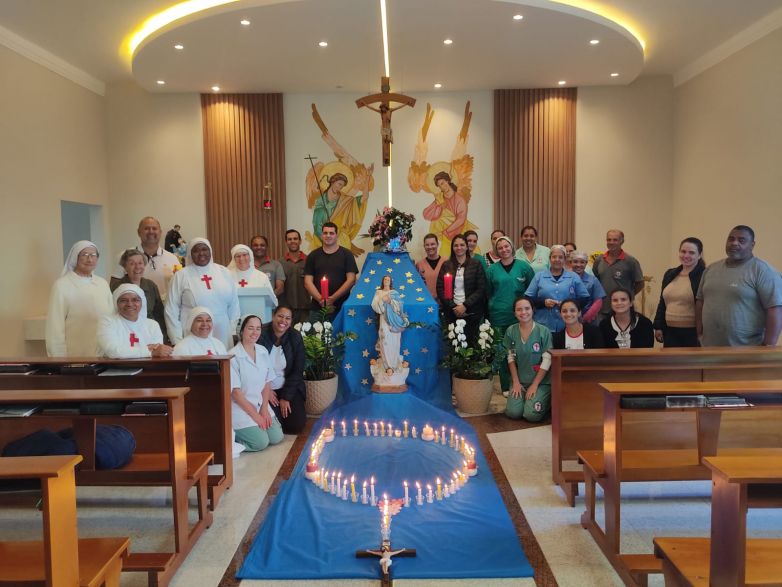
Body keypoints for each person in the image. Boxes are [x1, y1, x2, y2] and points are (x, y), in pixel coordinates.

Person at [696, 225, 782, 347]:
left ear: (752, 245)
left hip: (746, 352)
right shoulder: (711, 269)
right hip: (708, 349)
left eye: (741, 240)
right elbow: (700, 301)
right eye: (731, 239)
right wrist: (699, 334)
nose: (734, 243)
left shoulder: (763, 271)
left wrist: (768, 346)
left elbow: (776, 309)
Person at [165, 237, 240, 349]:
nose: (201, 253)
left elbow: (234, 304)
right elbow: (171, 309)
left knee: (222, 361)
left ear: (210, 251)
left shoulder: (224, 272)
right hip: (193, 332)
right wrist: (176, 339)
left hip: (223, 331)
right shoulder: (181, 275)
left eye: (205, 249)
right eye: (196, 250)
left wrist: (233, 331)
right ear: (190, 253)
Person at [486, 236, 535, 396]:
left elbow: (531, 291)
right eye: (500, 248)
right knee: (502, 352)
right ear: (496, 251)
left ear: (512, 247)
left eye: (506, 246)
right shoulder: (492, 270)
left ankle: (522, 382)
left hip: (520, 317)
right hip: (498, 316)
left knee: (520, 350)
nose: (504, 250)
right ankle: (506, 386)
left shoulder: (524, 267)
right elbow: (487, 293)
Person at [46, 240, 114, 357]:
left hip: (104, 354)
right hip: (75, 357)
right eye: (84, 255)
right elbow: (55, 327)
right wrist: (58, 358)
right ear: (75, 258)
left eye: (93, 255)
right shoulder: (62, 285)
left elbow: (112, 316)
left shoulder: (102, 283)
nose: (89, 259)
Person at [230, 315, 285, 452]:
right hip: (241, 408)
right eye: (250, 328)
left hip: (260, 404)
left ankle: (257, 425)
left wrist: (264, 409)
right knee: (260, 443)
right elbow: (236, 393)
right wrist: (256, 417)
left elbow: (267, 382)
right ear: (242, 331)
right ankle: (230, 440)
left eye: (258, 328)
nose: (255, 332)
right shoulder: (232, 356)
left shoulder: (262, 351)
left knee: (276, 437)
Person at [504, 297, 552, 422]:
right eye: (519, 309)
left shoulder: (543, 331)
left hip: (540, 383)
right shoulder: (511, 331)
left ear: (533, 310)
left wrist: (535, 385)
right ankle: (525, 398)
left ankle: (545, 401)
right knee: (513, 413)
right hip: (520, 380)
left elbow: (547, 360)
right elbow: (510, 358)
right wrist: (515, 382)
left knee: (532, 415)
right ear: (514, 313)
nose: (523, 312)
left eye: (527, 308)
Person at [260, 305, 306, 435]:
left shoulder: (295, 337)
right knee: (274, 425)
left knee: (296, 426)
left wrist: (286, 397)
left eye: (288, 318)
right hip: (266, 389)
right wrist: (266, 390)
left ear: (291, 321)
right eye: (280, 316)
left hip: (288, 387)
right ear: (273, 316)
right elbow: (254, 368)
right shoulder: (261, 334)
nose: (283, 321)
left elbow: (297, 370)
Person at [112, 217, 181, 302]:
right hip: (133, 311)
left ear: (160, 232)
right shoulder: (124, 256)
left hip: (164, 311)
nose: (151, 231)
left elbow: (180, 286)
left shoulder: (173, 258)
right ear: (139, 232)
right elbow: (114, 288)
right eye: (146, 228)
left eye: (154, 228)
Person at [653, 237, 706, 347]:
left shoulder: (704, 275)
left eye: (691, 253)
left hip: (692, 333)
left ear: (699, 255)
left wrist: (701, 333)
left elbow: (705, 306)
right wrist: (658, 326)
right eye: (683, 251)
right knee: (670, 364)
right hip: (670, 332)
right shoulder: (670, 274)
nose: (686, 256)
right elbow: (662, 302)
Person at [524, 245, 590, 333]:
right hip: (543, 325)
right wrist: (543, 302)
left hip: (568, 325)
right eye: (554, 257)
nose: (557, 260)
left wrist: (568, 305)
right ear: (550, 258)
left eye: (560, 257)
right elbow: (528, 298)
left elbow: (584, 298)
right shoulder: (539, 276)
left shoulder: (573, 277)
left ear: (565, 259)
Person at [98, 283, 172, 358]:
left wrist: (125, 351)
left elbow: (158, 351)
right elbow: (113, 351)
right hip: (114, 368)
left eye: (135, 300)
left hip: (148, 368)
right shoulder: (107, 322)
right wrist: (148, 351)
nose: (129, 304)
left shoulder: (152, 325)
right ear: (116, 303)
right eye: (123, 300)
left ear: (142, 303)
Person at [436, 234, 486, 344]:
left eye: (462, 245)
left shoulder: (476, 264)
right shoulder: (446, 265)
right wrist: (454, 306)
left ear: (467, 247)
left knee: (471, 344)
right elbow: (440, 288)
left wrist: (465, 306)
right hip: (452, 312)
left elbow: (481, 288)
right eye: (456, 245)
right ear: (452, 248)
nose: (459, 248)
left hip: (471, 312)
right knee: (454, 345)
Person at [110, 249, 168, 343]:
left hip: (149, 333)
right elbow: (112, 312)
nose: (137, 267)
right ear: (124, 267)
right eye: (132, 264)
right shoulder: (117, 287)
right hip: (125, 333)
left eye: (140, 263)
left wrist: (163, 338)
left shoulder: (151, 285)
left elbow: (159, 315)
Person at [303, 222, 358, 320]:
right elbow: (307, 282)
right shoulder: (313, 255)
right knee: (315, 335)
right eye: (325, 233)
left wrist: (332, 299)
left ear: (336, 235)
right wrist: (321, 299)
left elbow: (351, 280)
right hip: (317, 308)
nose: (328, 236)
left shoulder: (347, 254)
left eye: (331, 233)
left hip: (342, 307)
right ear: (321, 235)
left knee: (341, 335)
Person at [592, 229, 644, 322]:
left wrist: (627, 297)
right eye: (609, 240)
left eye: (615, 240)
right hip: (602, 310)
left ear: (622, 241)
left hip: (622, 311)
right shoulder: (599, 260)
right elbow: (595, 282)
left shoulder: (631, 261)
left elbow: (640, 284)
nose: (611, 242)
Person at [311, 172, 368, 256]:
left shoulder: (345, 200)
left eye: (342, 186)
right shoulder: (320, 201)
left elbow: (364, 197)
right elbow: (317, 224)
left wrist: (368, 178)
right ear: (332, 182)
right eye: (339, 184)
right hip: (324, 239)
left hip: (341, 237)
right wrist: (326, 241)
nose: (340, 187)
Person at [423, 171, 474, 257]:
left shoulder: (459, 200)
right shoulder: (440, 199)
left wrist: (447, 230)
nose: (442, 187)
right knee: (445, 259)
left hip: (458, 234)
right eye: (439, 186)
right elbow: (426, 214)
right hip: (446, 238)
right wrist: (439, 206)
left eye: (442, 183)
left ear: (448, 181)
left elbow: (461, 219)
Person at [371, 276, 410, 373]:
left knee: (394, 340)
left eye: (388, 280)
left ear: (391, 282)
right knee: (385, 340)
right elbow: (374, 305)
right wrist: (382, 301)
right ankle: (386, 365)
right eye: (385, 279)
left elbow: (400, 306)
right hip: (384, 319)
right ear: (382, 281)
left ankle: (394, 364)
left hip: (394, 321)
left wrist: (390, 301)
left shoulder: (394, 293)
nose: (386, 281)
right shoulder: (378, 292)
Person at [279, 229, 310, 324]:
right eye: (289, 239)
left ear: (300, 241)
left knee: (304, 337)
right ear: (286, 242)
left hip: (305, 310)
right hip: (285, 310)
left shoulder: (309, 261)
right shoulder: (280, 263)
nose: (292, 241)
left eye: (295, 239)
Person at [569, 251, 605, 323]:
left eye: (582, 262)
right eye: (575, 262)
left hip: (588, 321)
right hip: (567, 319)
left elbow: (598, 301)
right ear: (570, 262)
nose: (579, 265)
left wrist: (586, 318)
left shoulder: (593, 280)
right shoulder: (564, 279)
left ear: (586, 263)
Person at [415, 233, 446, 304]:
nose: (430, 247)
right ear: (424, 246)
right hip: (425, 303)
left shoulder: (446, 263)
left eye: (432, 244)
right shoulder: (419, 265)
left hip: (443, 303)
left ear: (437, 245)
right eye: (427, 245)